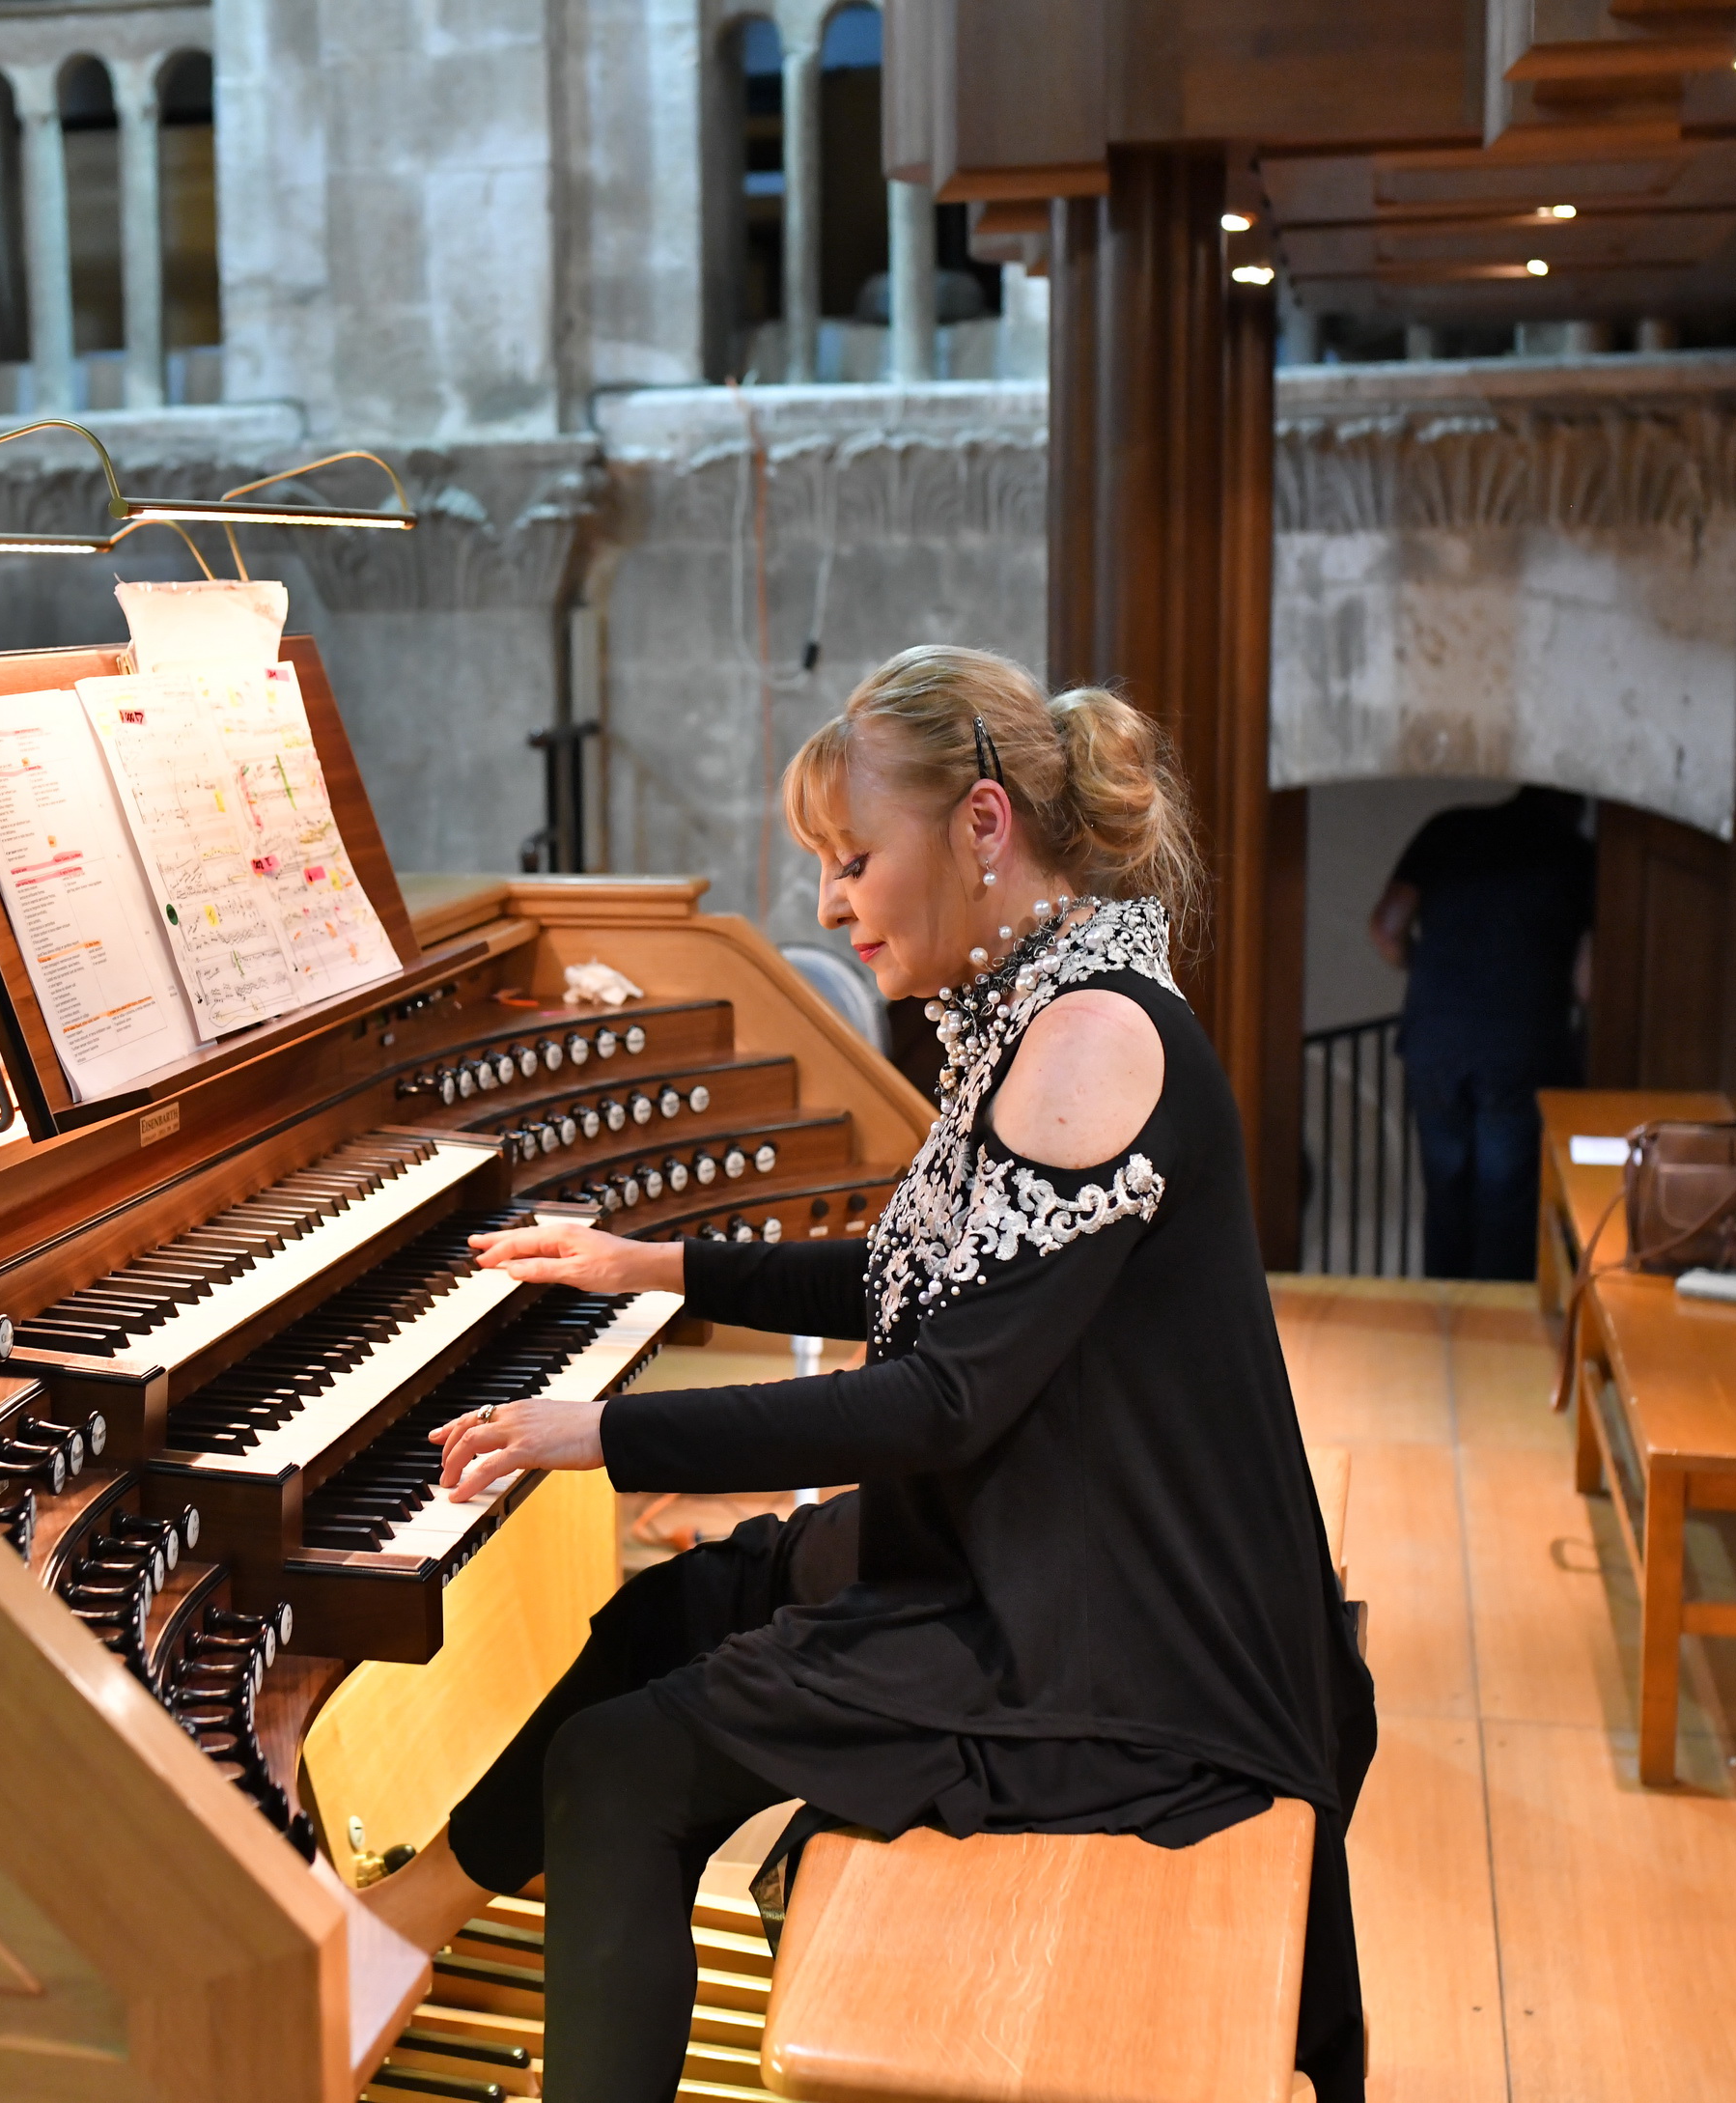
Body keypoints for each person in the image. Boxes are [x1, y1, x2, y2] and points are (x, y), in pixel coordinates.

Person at [358, 648, 1376, 2103]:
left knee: (623, 1770)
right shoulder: (1046, 998)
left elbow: (937, 1397)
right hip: (1047, 1544)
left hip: (1118, 1639)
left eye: (849, 860)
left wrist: (599, 1432)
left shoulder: (1086, 1045)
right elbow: (925, 1278)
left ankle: (405, 1965)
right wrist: (655, 1266)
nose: (827, 903)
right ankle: (390, 1939)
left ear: (978, 827)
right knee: (670, 1608)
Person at [1367, 785, 1596, 1280]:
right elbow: (1585, 980)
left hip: (1435, 1040)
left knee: (1445, 1192)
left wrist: (1428, 975)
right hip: (1523, 1046)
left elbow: (1386, 927)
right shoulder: (1577, 857)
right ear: (1575, 802)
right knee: (1507, 1201)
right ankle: (1495, 1330)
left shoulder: (1449, 828)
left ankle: (1443, 1319)